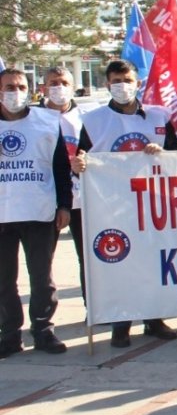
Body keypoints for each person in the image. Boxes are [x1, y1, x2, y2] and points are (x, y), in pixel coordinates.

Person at [73, 60, 177, 348]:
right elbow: (80, 161)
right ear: (107, 84)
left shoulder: (158, 117)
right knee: (119, 264)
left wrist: (163, 153)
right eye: (116, 80)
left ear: (138, 82)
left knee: (151, 262)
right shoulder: (94, 120)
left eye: (127, 79)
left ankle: (153, 319)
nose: (123, 86)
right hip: (111, 205)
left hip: (150, 203)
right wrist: (78, 164)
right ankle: (121, 324)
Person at [0, 68, 73, 357]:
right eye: (8, 87)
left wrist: (64, 205)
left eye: (20, 86)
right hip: (3, 216)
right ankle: (9, 334)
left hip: (39, 212)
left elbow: (60, 167)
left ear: (30, 90)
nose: (14, 92)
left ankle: (43, 330)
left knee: (42, 277)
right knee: (4, 279)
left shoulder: (46, 121)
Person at [35, 67, 93, 297]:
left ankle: (94, 308)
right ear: (44, 87)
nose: (59, 88)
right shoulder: (34, 118)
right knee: (41, 262)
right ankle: (43, 319)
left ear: (72, 87)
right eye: (53, 83)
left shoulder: (87, 117)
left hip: (82, 198)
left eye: (64, 83)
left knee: (89, 258)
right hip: (46, 199)